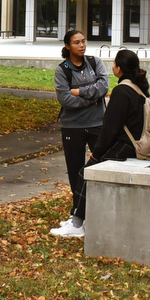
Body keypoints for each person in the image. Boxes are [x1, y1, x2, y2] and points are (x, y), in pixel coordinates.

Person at [49, 28, 108, 239]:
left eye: (83, 41)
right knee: (76, 173)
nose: (82, 45)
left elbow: (104, 86)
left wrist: (80, 92)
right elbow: (66, 100)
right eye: (76, 42)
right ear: (67, 46)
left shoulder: (94, 62)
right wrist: (91, 98)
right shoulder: (62, 70)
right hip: (72, 127)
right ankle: (78, 219)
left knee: (102, 167)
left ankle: (94, 215)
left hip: (97, 125)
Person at [89, 49, 150, 166]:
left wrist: (96, 154)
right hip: (142, 141)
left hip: (127, 146)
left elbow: (110, 127)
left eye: (114, 63)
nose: (113, 67)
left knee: (84, 176)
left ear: (119, 68)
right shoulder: (141, 85)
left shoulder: (122, 91)